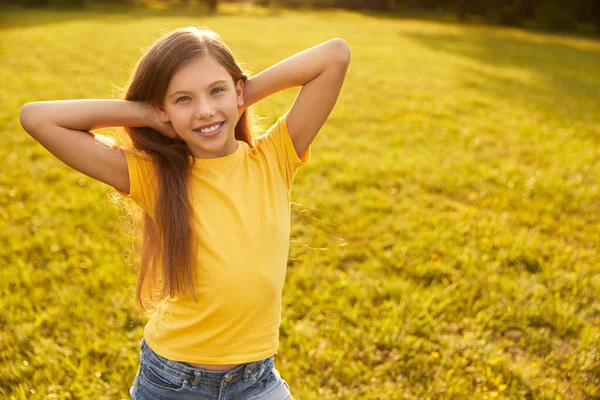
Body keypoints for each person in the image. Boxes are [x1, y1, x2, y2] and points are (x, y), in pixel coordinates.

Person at [19, 26, 350, 399]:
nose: (205, 111)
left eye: (216, 90)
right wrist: (147, 113)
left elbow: (334, 55)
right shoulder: (155, 176)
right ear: (164, 111)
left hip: (257, 378)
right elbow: (37, 118)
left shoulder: (273, 157)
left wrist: (241, 96)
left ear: (236, 90)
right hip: (174, 380)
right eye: (183, 99)